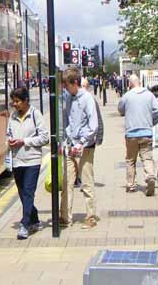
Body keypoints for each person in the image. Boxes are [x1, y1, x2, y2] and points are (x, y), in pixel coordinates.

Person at [7, 87, 49, 239]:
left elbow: (45, 138)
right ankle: (35, 218)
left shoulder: (35, 114)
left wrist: (24, 141)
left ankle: (24, 224)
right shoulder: (12, 117)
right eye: (13, 102)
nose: (15, 104)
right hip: (17, 160)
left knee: (29, 192)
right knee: (23, 193)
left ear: (25, 101)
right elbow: (8, 134)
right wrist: (10, 142)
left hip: (32, 160)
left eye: (17, 101)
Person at [60, 66, 98, 229]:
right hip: (70, 146)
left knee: (86, 183)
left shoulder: (87, 98)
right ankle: (64, 217)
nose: (65, 88)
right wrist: (64, 142)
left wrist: (81, 142)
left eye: (67, 85)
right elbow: (66, 122)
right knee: (67, 183)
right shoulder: (68, 98)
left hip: (85, 147)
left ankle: (90, 217)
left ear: (75, 83)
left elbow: (93, 125)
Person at [118, 74, 158, 196]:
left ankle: (131, 185)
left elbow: (120, 110)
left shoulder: (126, 96)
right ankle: (150, 176)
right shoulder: (149, 95)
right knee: (147, 158)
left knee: (131, 160)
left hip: (131, 133)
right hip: (146, 132)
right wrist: (152, 122)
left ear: (130, 84)